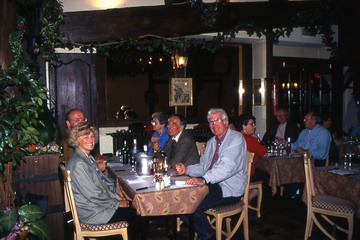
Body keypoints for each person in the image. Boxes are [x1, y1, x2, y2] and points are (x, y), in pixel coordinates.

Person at [176, 108, 248, 240]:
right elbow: (204, 166)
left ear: (226, 122)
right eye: (211, 121)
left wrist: (203, 179)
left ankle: (208, 236)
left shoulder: (236, 139)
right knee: (182, 201)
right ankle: (208, 234)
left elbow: (227, 167)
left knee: (190, 205)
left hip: (229, 189)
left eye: (217, 120)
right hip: (213, 185)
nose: (214, 124)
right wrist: (187, 170)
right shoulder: (211, 143)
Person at [66, 123, 139, 239]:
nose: (91, 140)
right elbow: (93, 194)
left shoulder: (86, 157)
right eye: (86, 137)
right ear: (76, 139)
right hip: (92, 213)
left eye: (92, 136)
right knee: (135, 216)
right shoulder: (79, 163)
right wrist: (116, 204)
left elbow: (101, 182)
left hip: (95, 207)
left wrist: (116, 195)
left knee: (131, 209)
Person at [237, 114, 268, 201]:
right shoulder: (249, 139)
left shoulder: (235, 137)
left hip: (235, 173)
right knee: (266, 177)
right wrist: (257, 139)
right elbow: (264, 153)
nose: (254, 127)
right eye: (252, 124)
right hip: (246, 175)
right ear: (244, 126)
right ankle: (247, 199)